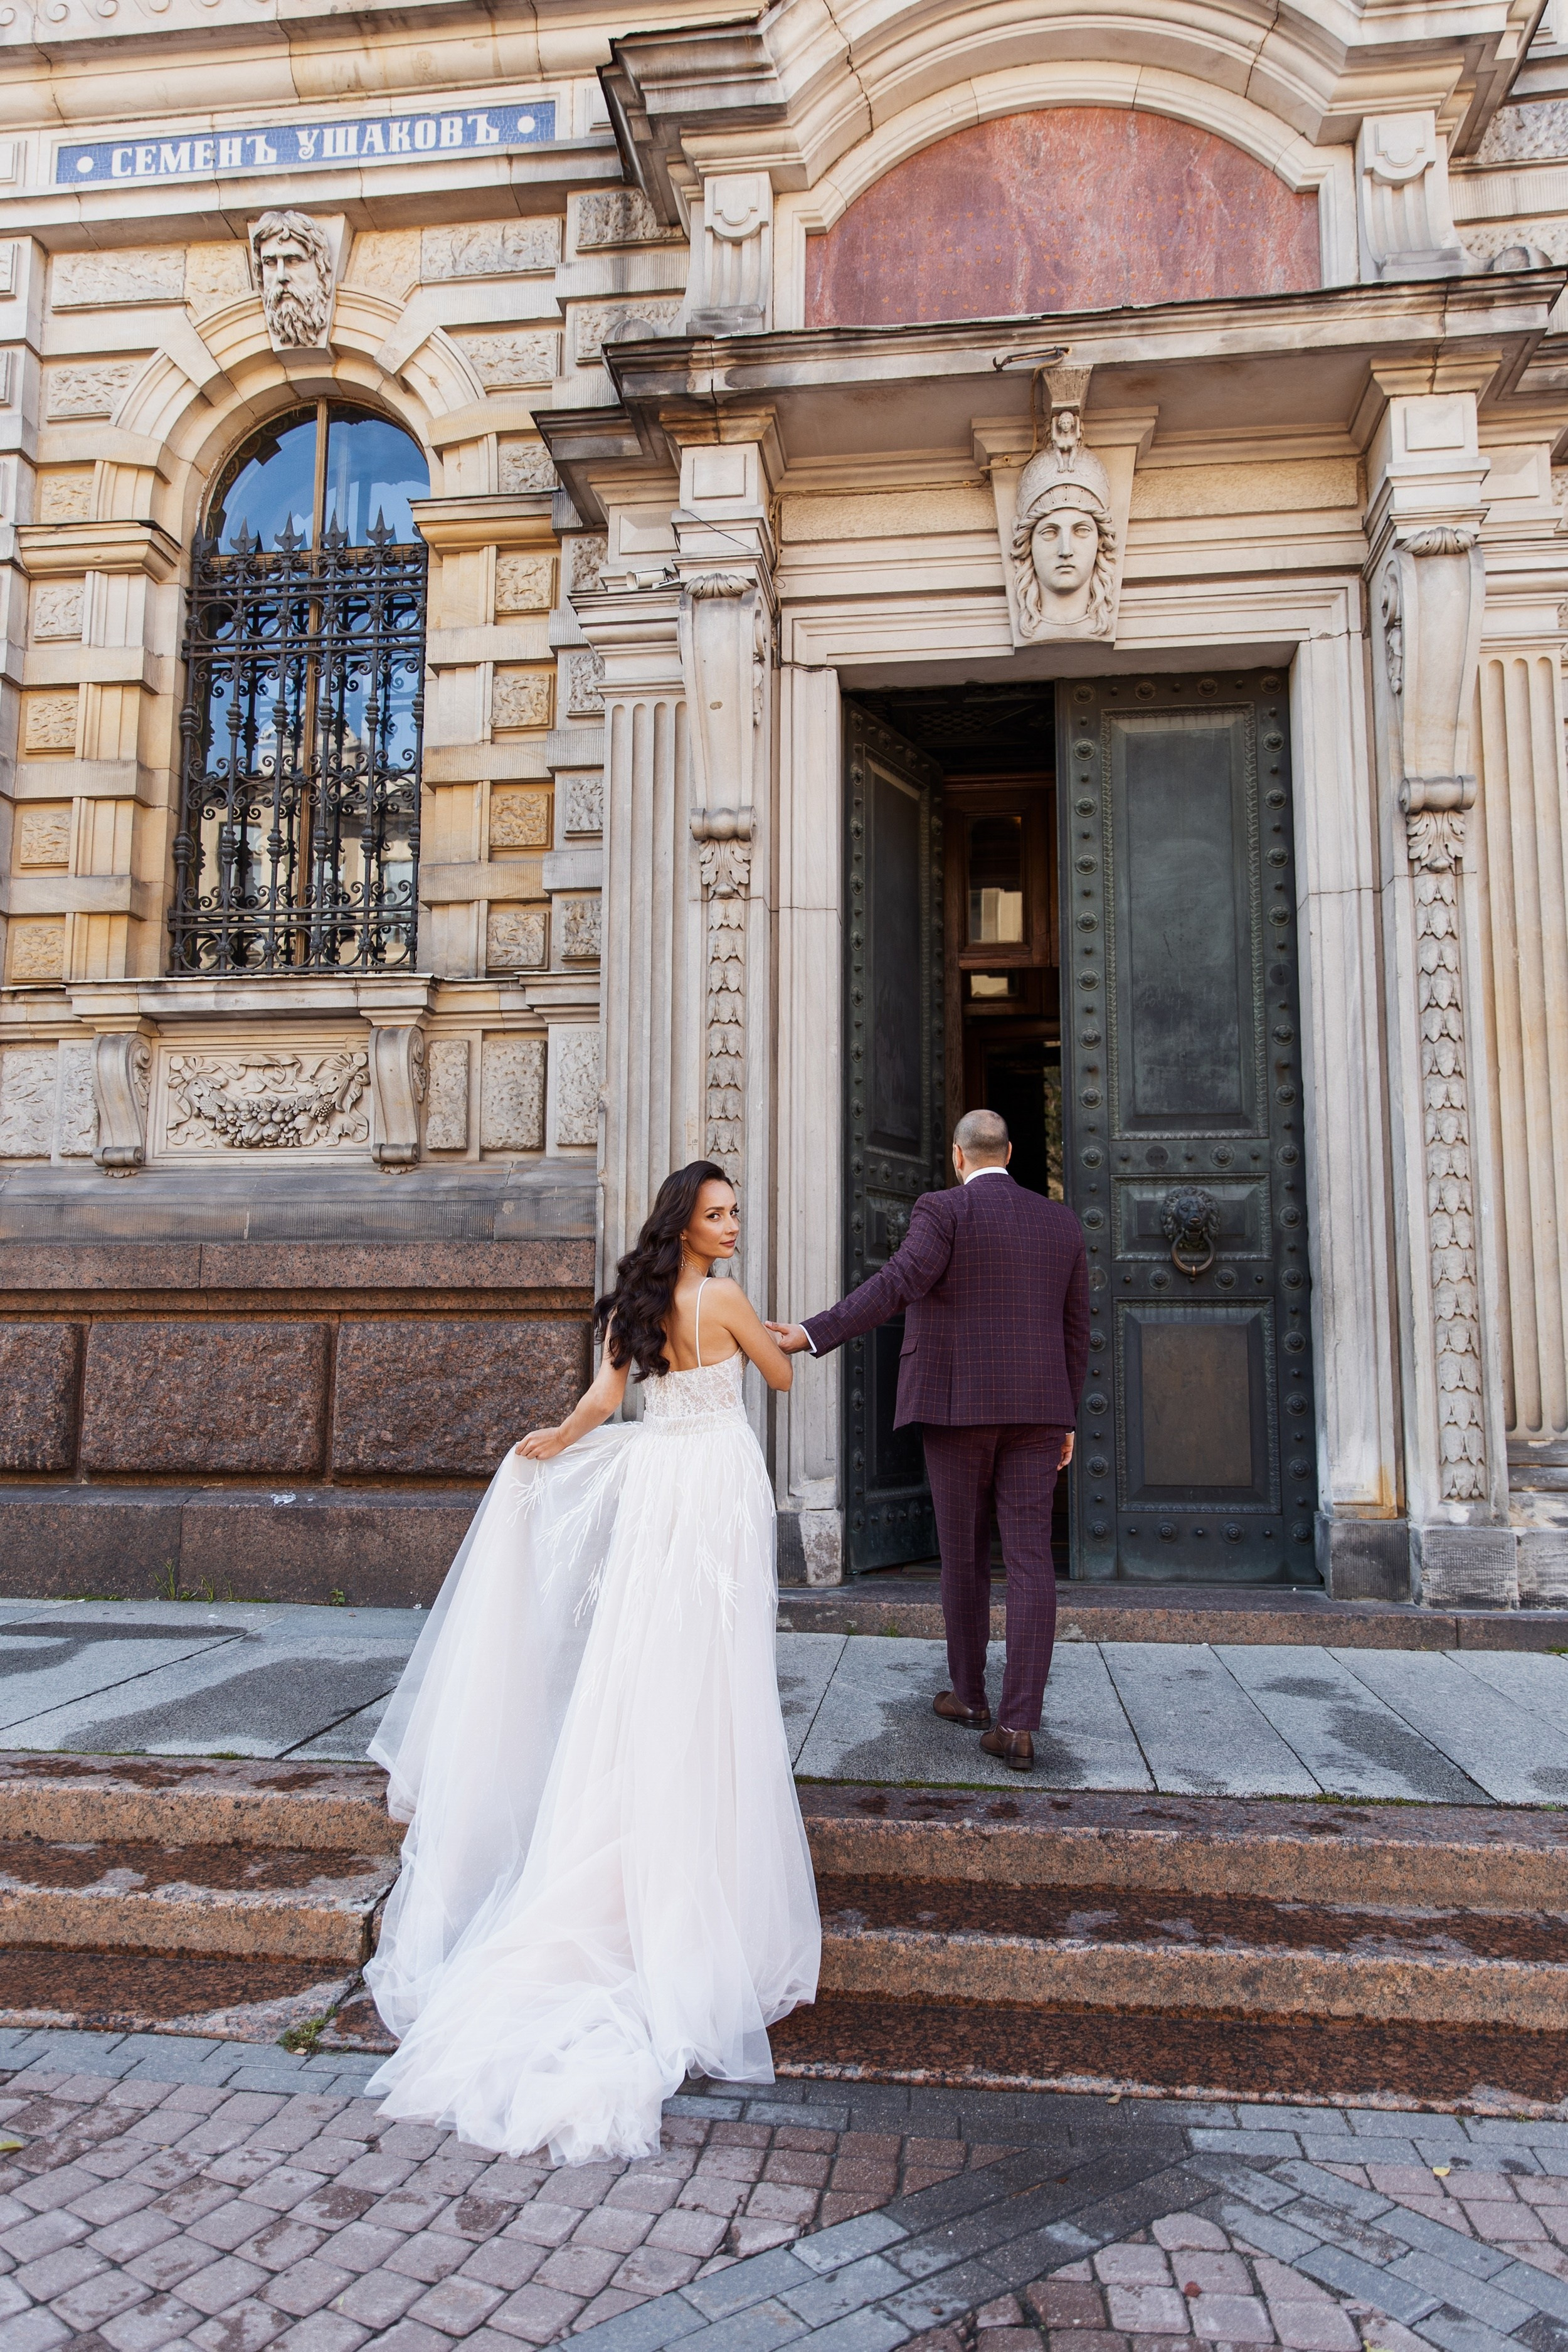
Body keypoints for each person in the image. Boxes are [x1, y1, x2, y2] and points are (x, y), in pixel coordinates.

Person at [364, 1160, 818, 2163]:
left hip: (657, 1481)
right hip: (715, 1481)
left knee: (643, 1652)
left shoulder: (634, 1306)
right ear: (687, 1225)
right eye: (719, 1214)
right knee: (714, 1666)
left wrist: (549, 1444)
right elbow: (778, 1379)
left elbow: (599, 1406)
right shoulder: (727, 1299)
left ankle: (629, 1831)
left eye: (736, 1210)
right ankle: (694, 1869)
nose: (733, 1224)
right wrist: (779, 1336)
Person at [770, 1108, 1088, 1771]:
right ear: (1012, 1151)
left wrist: (810, 1333)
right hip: (1037, 1412)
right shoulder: (1060, 1221)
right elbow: (1075, 1329)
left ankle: (970, 1697)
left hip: (957, 1407)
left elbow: (896, 1285)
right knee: (1030, 1563)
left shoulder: (941, 1210)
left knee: (964, 1556)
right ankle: (1018, 1723)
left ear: (957, 1157)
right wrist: (1066, 1420)